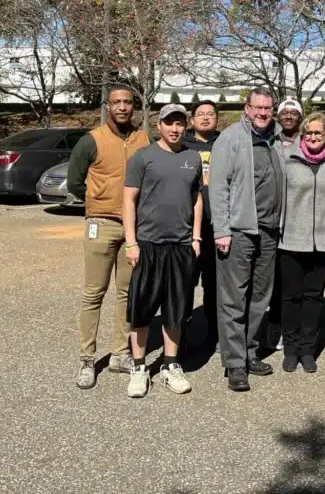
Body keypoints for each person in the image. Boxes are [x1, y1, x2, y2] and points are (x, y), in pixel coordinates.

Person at [67, 84, 151, 389]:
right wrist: (96, 200)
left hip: (134, 227)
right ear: (107, 106)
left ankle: (119, 353)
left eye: (128, 102)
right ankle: (87, 359)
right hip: (101, 224)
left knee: (127, 293)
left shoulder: (144, 138)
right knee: (93, 293)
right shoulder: (92, 140)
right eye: (117, 102)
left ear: (134, 106)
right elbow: (74, 181)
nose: (123, 107)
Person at [122, 104, 203, 398]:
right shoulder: (143, 158)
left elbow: (197, 199)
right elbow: (129, 200)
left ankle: (170, 365)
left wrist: (195, 238)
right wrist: (131, 242)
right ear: (159, 126)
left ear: (186, 126)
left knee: (176, 310)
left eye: (180, 123)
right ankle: (140, 367)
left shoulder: (192, 158)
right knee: (141, 310)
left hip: (180, 247)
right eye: (169, 123)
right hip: (148, 246)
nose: (175, 128)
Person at [209, 87, 286, 392]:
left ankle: (250, 350)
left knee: (259, 298)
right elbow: (218, 187)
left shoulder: (278, 138)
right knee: (233, 298)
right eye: (258, 108)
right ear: (247, 108)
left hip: (269, 231)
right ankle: (234, 363)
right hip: (240, 231)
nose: (263, 113)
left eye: (268, 108)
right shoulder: (230, 139)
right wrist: (222, 230)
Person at [278, 112, 325, 374]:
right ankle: (290, 349)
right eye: (309, 132)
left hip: (322, 240)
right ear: (303, 134)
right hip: (291, 238)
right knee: (291, 297)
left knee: (314, 297)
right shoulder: (288, 159)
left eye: (319, 133)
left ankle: (307, 349)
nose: (314, 137)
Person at [183, 100, 221, 348]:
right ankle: (180, 335)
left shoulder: (226, 143)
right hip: (186, 226)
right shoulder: (181, 145)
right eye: (201, 114)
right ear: (192, 120)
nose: (206, 118)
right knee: (184, 282)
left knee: (214, 284)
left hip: (218, 226)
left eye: (211, 114)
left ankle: (215, 334)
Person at [266, 100, 303, 350]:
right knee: (275, 279)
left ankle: (298, 326)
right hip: (273, 218)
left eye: (294, 113)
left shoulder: (309, 140)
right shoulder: (270, 140)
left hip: (300, 219)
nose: (289, 116)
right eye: (284, 113)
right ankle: (274, 323)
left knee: (297, 278)